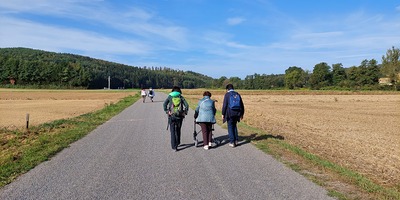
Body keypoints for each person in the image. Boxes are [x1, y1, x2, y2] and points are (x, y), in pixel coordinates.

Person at [163, 86, 189, 151]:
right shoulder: (180, 97)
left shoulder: (170, 96)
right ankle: (178, 142)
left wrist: (167, 111)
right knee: (178, 130)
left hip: (171, 116)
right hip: (180, 116)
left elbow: (164, 104)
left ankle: (174, 146)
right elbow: (187, 105)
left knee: (172, 131)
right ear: (179, 91)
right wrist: (184, 112)